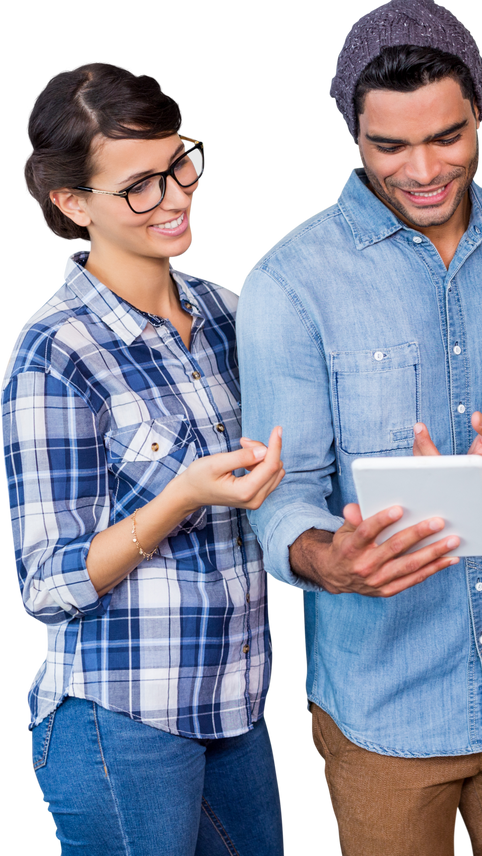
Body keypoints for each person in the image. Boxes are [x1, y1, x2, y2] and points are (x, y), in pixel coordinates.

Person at [235, 0, 482, 854]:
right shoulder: (287, 282)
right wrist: (328, 559)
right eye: (390, 145)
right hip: (381, 716)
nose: (425, 168)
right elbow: (279, 498)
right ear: (352, 137)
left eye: (449, 137)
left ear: (481, 118)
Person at [5, 60, 287, 855]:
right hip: (119, 720)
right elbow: (49, 579)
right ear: (71, 202)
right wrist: (182, 497)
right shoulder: (54, 352)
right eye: (140, 186)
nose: (176, 195)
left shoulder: (228, 310)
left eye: (180, 163)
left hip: (236, 706)